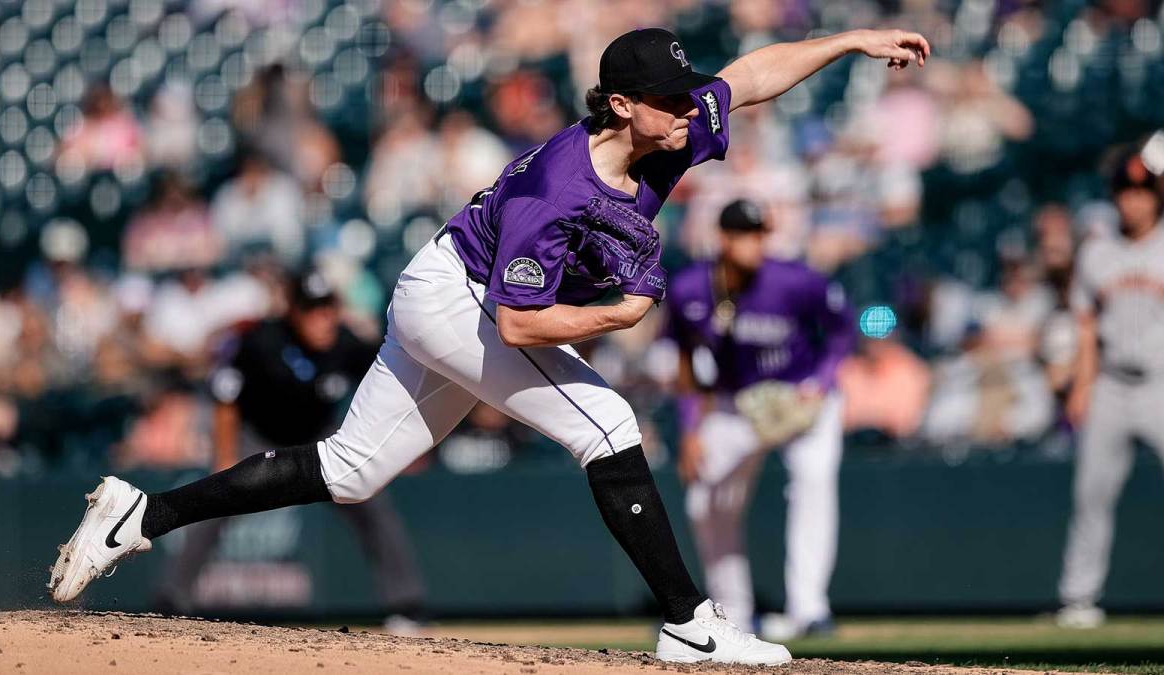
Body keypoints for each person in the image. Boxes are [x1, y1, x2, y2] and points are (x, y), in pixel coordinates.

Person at [49, 26, 929, 665]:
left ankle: (140, 514)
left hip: (448, 287)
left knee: (352, 469)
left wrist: (850, 41)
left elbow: (750, 76)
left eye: (683, 91)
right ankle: (690, 618)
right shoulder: (560, 186)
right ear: (621, 105)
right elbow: (516, 327)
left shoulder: (671, 123)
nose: (686, 106)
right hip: (459, 299)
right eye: (666, 96)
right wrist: (619, 317)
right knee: (608, 420)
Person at [154, 271, 428, 627]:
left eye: (327, 309)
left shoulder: (346, 343)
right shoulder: (262, 341)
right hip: (260, 436)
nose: (322, 319)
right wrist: (224, 457)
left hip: (318, 437)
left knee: (373, 505)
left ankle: (406, 606)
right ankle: (170, 600)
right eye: (312, 311)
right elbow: (225, 396)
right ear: (294, 313)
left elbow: (397, 383)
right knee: (215, 501)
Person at [666, 200, 854, 640]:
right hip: (737, 404)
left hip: (800, 397)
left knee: (813, 480)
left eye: (760, 233)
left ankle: (809, 608)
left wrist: (821, 382)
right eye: (746, 233)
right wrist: (691, 428)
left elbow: (842, 331)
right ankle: (731, 611)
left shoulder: (795, 280)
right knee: (705, 499)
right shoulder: (692, 288)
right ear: (724, 238)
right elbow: (686, 363)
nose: (756, 242)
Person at [1057, 147, 1164, 629]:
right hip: (1111, 385)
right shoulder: (1096, 252)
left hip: (1161, 384)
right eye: (1125, 192)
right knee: (1091, 495)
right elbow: (1085, 328)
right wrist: (1081, 387)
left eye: (1142, 192)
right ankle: (1079, 600)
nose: (1133, 202)